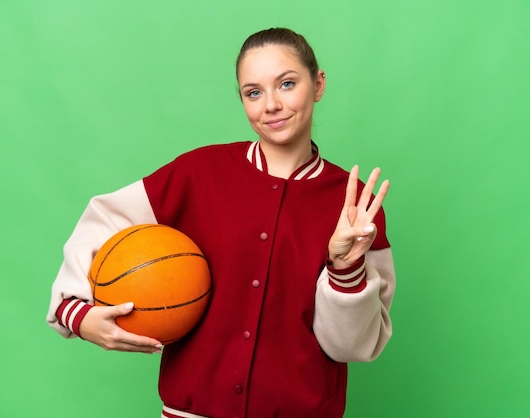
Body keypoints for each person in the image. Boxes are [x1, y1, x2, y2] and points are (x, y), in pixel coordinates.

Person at [47, 27, 396, 418]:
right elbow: (104, 220)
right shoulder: (199, 173)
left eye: (286, 84)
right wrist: (77, 314)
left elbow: (351, 347)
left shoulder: (356, 207)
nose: (271, 105)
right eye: (254, 92)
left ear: (318, 84)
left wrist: (344, 267)